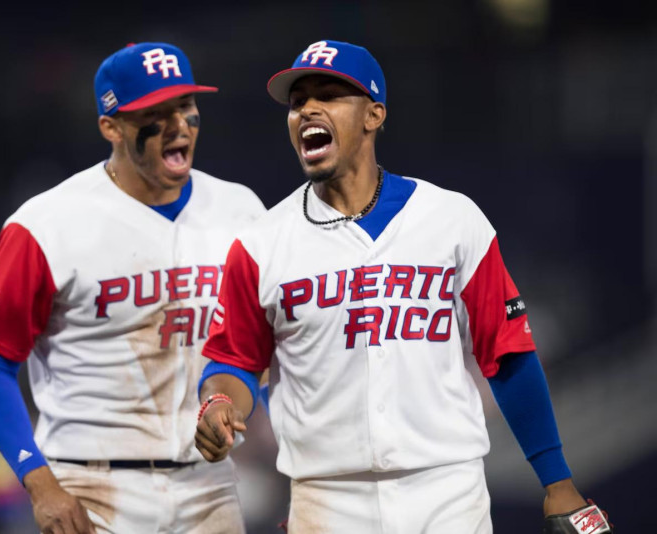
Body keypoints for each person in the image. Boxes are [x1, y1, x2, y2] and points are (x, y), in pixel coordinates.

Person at [194, 40, 612, 533]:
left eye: (328, 94)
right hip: (327, 501)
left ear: (373, 115)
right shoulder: (262, 243)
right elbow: (235, 361)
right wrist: (219, 402)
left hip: (448, 493)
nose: (307, 108)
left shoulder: (452, 220)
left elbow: (509, 354)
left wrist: (556, 479)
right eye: (297, 100)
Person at [0, 42, 265, 534]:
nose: (178, 125)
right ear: (111, 126)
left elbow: (257, 350)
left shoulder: (241, 211)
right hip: (91, 486)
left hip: (210, 486)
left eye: (186, 106)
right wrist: (40, 484)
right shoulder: (47, 224)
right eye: (155, 114)